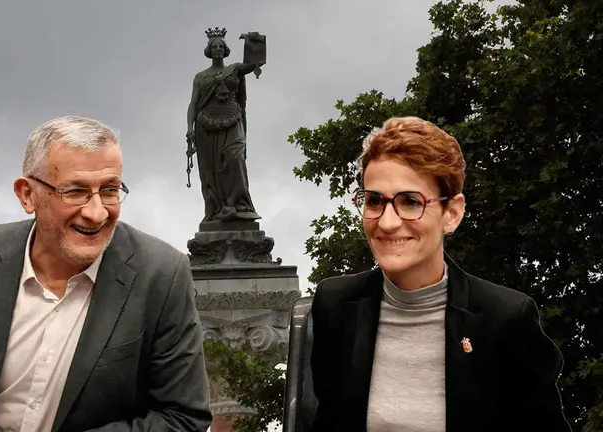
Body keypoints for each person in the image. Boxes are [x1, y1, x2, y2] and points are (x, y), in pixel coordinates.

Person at [0, 116, 213, 431]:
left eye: (110, 190)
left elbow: (183, 417)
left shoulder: (162, 275)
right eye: (75, 191)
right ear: (27, 195)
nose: (97, 213)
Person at [309, 117, 570, 431]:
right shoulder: (335, 305)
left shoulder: (506, 319)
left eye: (410, 202)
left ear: (452, 214)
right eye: (374, 201)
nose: (387, 222)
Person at [186, 27, 263, 224]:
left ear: (226, 49)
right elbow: (193, 104)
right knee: (210, 170)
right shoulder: (200, 77)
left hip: (233, 122)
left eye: (221, 46)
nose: (218, 49)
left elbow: (252, 64)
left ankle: (237, 204)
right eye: (215, 47)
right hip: (206, 126)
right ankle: (218, 209)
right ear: (209, 50)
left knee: (234, 158)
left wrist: (253, 41)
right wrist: (189, 128)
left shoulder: (234, 69)